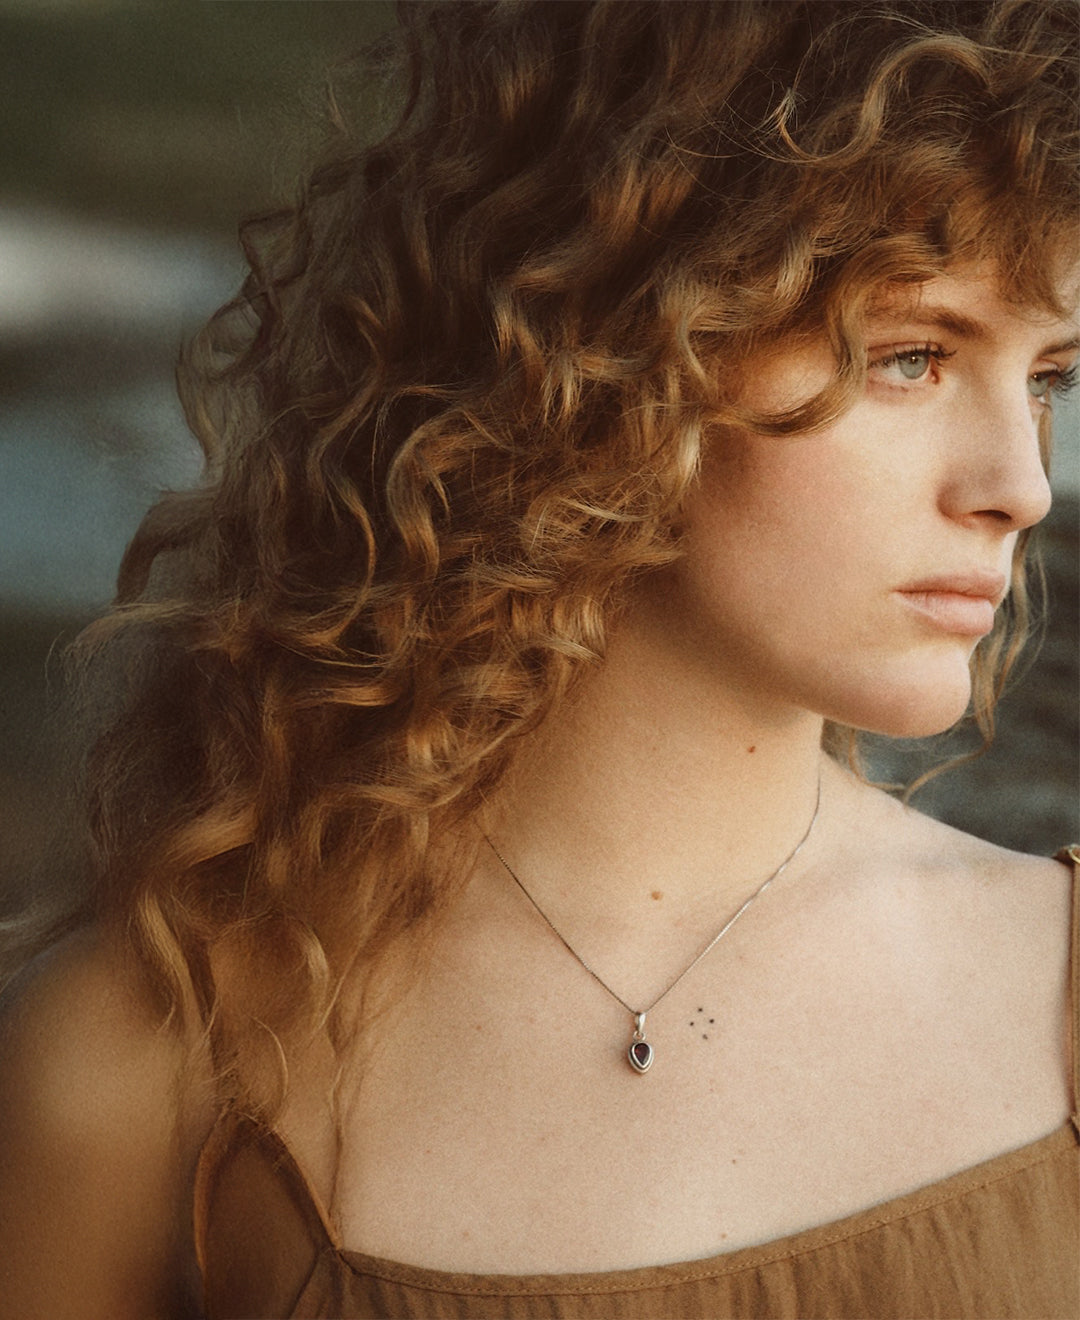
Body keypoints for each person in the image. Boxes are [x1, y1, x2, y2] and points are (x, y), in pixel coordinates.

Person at [1, 2, 1077, 1316]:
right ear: (608, 352)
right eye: (910, 357)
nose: (1020, 485)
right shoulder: (149, 1062)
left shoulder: (1059, 991)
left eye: (1049, 381)